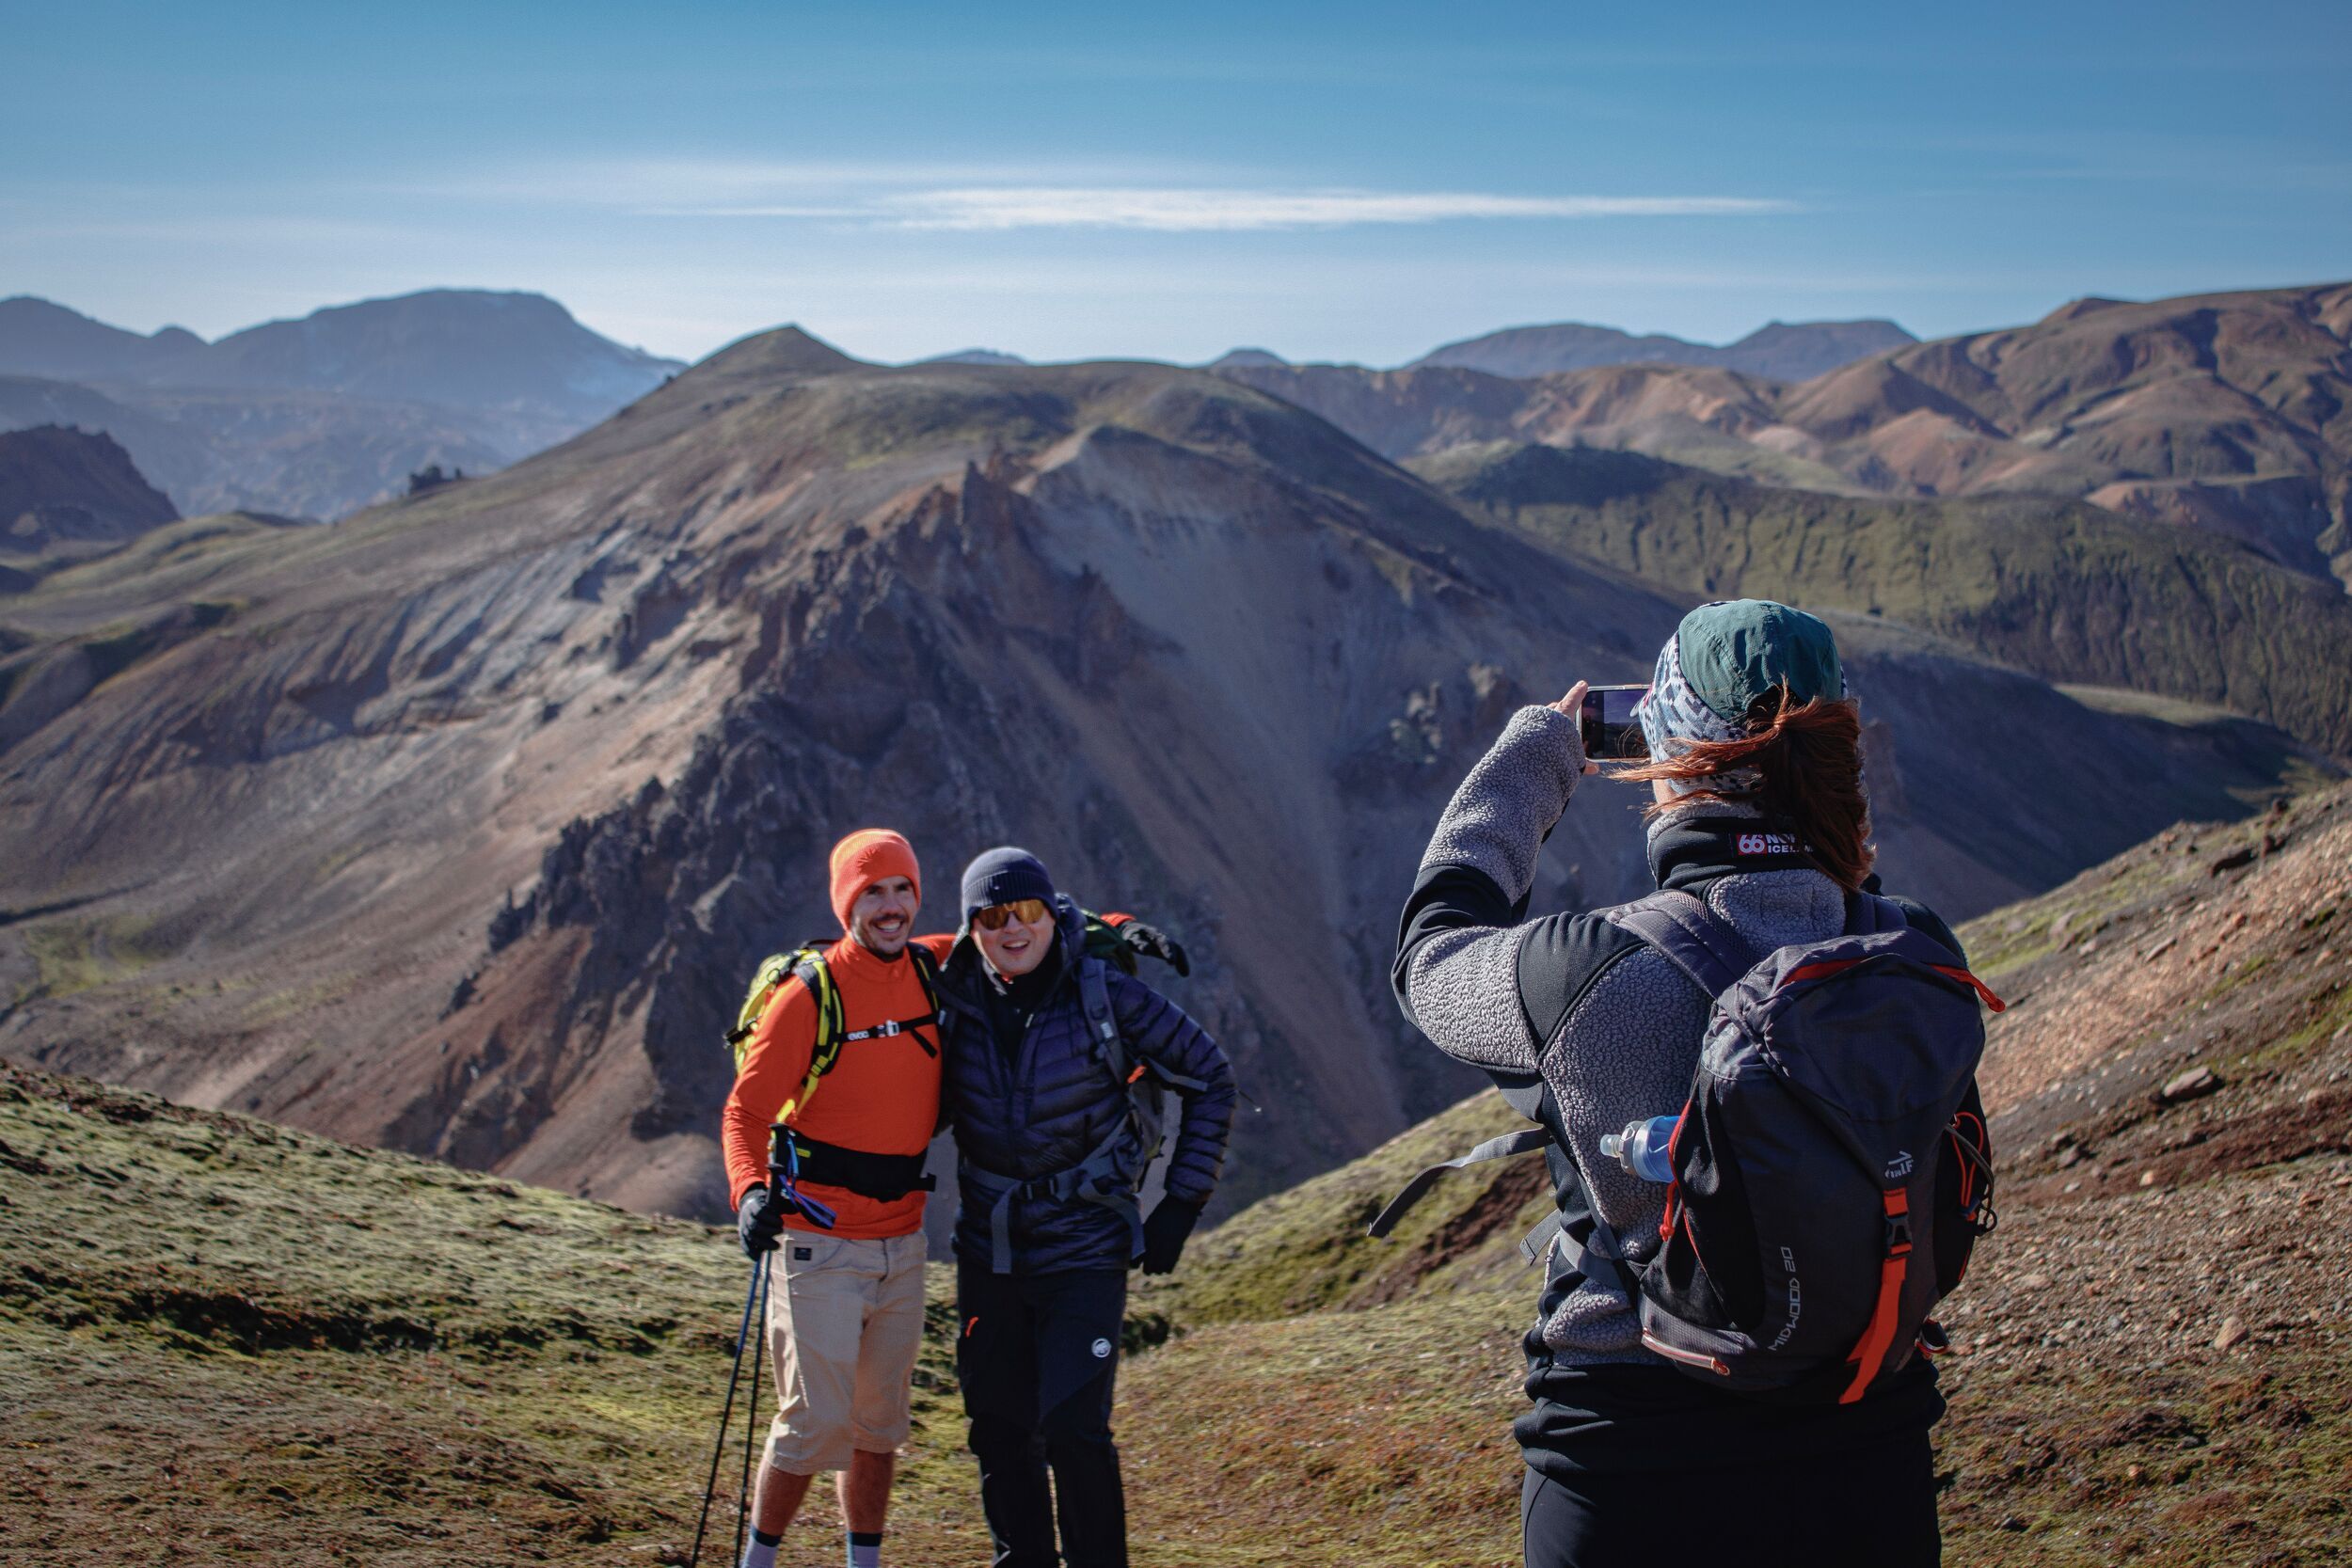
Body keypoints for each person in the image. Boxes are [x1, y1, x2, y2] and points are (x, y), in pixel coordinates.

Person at [1392, 601, 1966, 1567]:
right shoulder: (1912, 949)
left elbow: (1428, 956)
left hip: (1630, 1472)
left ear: (1665, 748)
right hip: (1868, 1460)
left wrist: (1537, 753)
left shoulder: (1583, 968)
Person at [719, 831, 1187, 1568]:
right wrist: (749, 1192)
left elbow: (1018, 918)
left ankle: (863, 1561)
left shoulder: (932, 961)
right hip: (819, 1235)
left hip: (903, 1239)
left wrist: (1118, 928)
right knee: (816, 1422)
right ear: (846, 900)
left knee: (879, 1427)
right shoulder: (809, 995)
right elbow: (744, 1113)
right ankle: (758, 1558)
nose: (891, 905)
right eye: (872, 891)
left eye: (902, 888)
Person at [935, 847, 1236, 1568]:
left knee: (1073, 1428)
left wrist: (1179, 1205)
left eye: (1029, 910)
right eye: (994, 914)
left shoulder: (1103, 991)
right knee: (999, 1428)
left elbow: (1212, 1077)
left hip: (1086, 1246)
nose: (1014, 928)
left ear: (1053, 911)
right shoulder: (951, 998)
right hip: (991, 1249)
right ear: (970, 925)